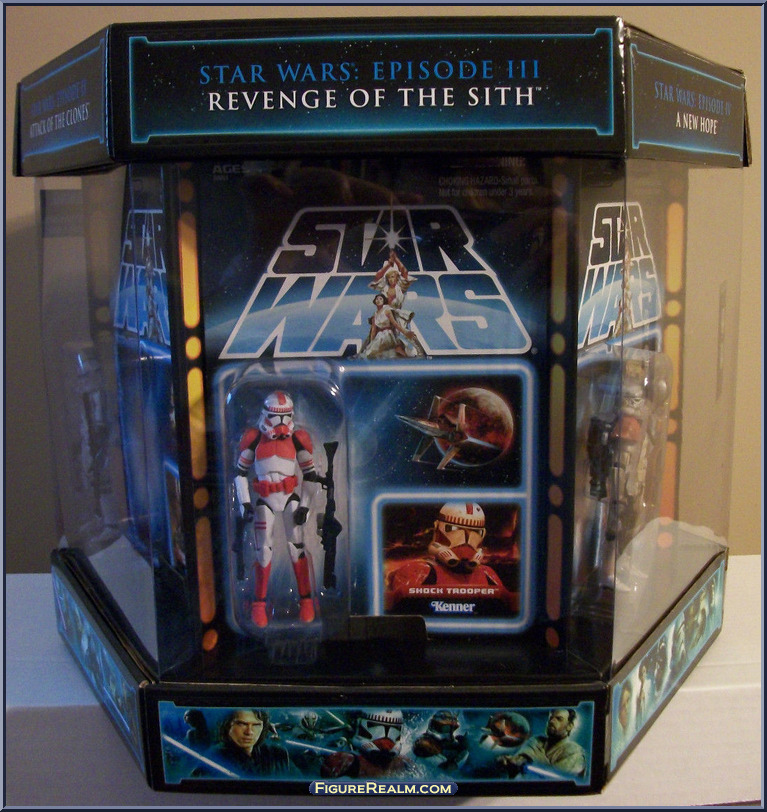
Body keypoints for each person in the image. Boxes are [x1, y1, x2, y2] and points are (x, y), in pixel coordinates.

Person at [235, 391, 321, 627]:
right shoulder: (254, 438)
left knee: (296, 547)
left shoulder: (297, 439)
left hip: (290, 498)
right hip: (264, 500)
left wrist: (305, 506)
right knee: (263, 551)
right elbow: (240, 473)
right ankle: (259, 604)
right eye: (276, 416)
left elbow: (310, 475)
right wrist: (244, 503)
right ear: (266, 414)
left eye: (285, 417)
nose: (281, 423)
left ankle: (306, 601)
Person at [385, 502, 519, 615]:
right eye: (454, 528)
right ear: (438, 529)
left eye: (475, 531)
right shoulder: (418, 572)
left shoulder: (488, 574)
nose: (466, 540)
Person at [193, 709, 295, 778]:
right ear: (228, 726)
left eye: (256, 725)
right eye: (242, 724)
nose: (249, 732)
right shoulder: (213, 757)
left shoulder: (277, 755)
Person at [497, 708, 586, 778]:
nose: (551, 721)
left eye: (559, 719)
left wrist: (533, 759)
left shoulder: (575, 752)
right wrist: (510, 761)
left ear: (570, 726)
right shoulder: (536, 740)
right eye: (551, 718)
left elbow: (555, 779)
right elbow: (519, 762)